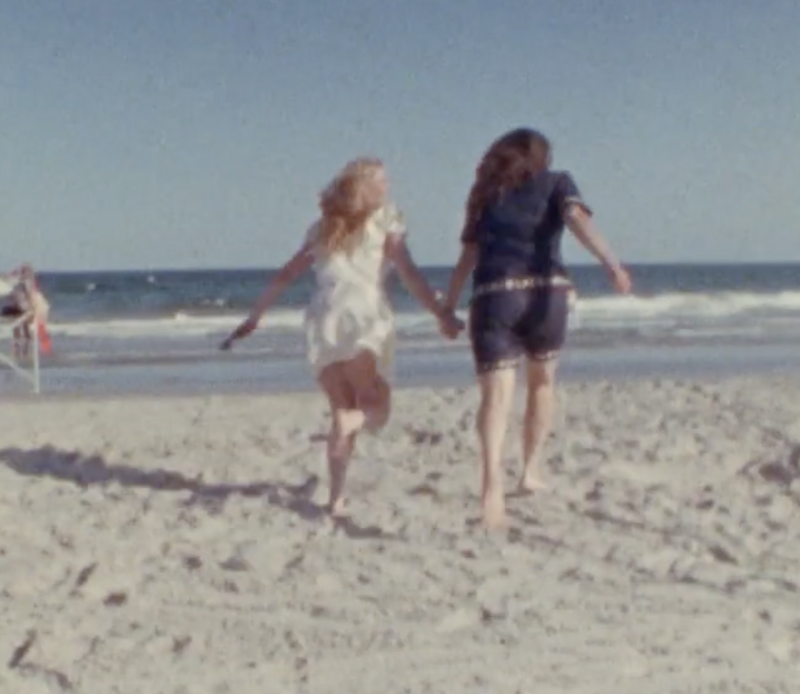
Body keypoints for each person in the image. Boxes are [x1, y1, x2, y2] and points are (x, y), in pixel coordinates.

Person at [221, 157, 462, 517]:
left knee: (341, 410)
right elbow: (408, 272)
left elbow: (284, 277)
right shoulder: (386, 218)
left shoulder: (322, 228)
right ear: (364, 186)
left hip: (323, 319)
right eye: (381, 181)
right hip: (362, 315)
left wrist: (254, 318)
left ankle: (336, 498)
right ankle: (342, 463)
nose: (388, 186)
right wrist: (440, 311)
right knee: (376, 411)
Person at [444, 127, 632, 530]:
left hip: (496, 295)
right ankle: (529, 470)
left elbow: (468, 257)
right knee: (542, 384)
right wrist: (611, 264)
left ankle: (492, 484)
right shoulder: (558, 183)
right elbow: (578, 222)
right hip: (548, 295)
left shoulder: (484, 196)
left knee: (495, 399)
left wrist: (447, 305)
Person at [1, 264, 51, 361]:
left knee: (22, 330)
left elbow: (28, 294)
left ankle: (22, 352)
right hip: (21, 308)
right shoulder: (22, 281)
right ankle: (21, 351)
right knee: (20, 330)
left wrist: (31, 307)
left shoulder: (25, 282)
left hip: (23, 308)